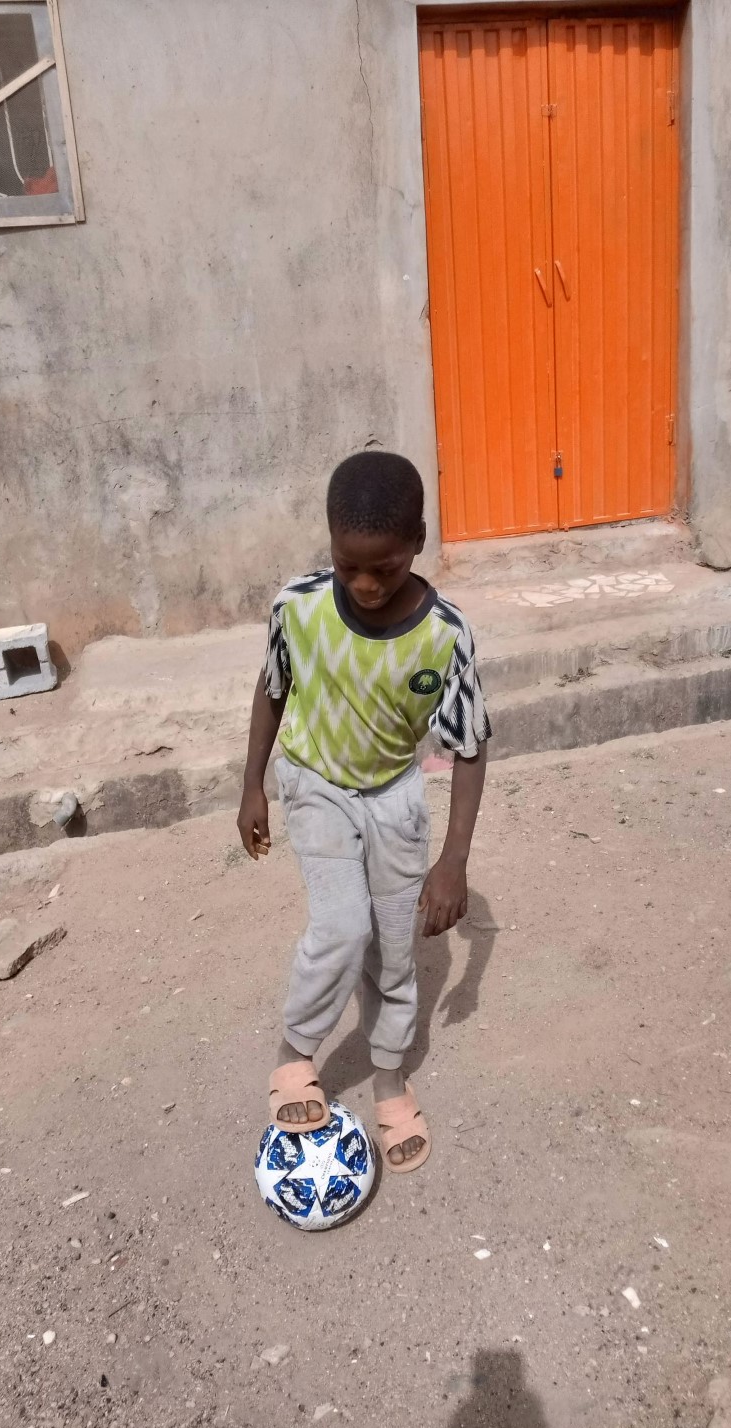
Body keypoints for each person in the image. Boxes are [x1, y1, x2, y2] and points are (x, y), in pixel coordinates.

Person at [237, 451, 490, 1172]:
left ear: (418, 541)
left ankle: (388, 1074)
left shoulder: (446, 635)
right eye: (349, 566)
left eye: (386, 566)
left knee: (393, 947)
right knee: (343, 927)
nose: (367, 584)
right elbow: (272, 688)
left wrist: (454, 860)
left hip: (394, 795)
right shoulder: (297, 608)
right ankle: (295, 1051)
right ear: (329, 544)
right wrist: (253, 784)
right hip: (314, 780)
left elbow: (470, 747)